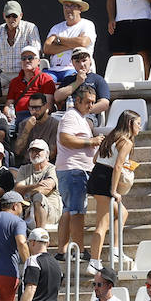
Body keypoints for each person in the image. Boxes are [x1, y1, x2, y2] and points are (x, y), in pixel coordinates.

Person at [88, 111, 140, 265]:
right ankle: (94, 261)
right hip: (105, 180)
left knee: (122, 213)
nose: (140, 127)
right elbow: (117, 167)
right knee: (102, 224)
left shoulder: (111, 136)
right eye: (138, 123)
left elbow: (95, 158)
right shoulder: (126, 142)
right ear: (130, 124)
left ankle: (116, 251)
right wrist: (113, 190)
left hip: (97, 174)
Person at [54, 87, 101, 257]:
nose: (91, 105)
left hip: (75, 169)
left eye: (93, 102)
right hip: (74, 170)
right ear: (77, 101)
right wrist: (91, 141)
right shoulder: (71, 116)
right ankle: (79, 251)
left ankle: (62, 251)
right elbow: (65, 139)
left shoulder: (79, 117)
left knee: (69, 211)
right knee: (77, 212)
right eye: (88, 102)